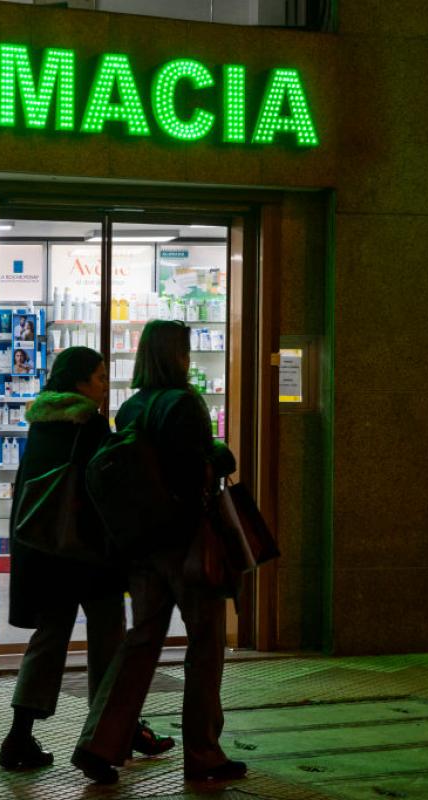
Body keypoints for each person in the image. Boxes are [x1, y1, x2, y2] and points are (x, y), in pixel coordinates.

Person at [71, 320, 241, 785]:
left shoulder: (131, 407)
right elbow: (194, 473)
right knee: (205, 644)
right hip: (186, 544)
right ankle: (203, 754)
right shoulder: (184, 403)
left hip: (141, 547)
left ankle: (100, 742)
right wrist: (219, 456)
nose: (189, 359)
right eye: (185, 352)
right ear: (177, 356)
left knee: (141, 641)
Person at [0, 347, 173, 772]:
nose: (102, 385)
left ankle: (18, 736)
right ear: (79, 383)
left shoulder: (41, 425)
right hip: (90, 555)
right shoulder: (89, 426)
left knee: (48, 641)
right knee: (108, 646)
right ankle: (111, 733)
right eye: (98, 377)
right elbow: (110, 490)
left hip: (48, 554)